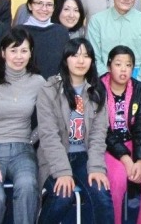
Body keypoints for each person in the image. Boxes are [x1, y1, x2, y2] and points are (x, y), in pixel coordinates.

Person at [36, 38, 114, 224]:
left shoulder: (97, 91)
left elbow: (98, 135)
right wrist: (63, 171)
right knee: (63, 196)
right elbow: (49, 135)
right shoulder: (49, 90)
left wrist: (95, 167)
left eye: (86, 56)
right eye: (75, 55)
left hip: (84, 156)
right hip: (55, 157)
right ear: (65, 59)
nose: (81, 61)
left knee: (102, 195)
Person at [0, 28, 44, 224]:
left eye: (24, 51)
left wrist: (30, 139)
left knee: (28, 186)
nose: (18, 56)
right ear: (3, 52)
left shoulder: (38, 82)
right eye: (13, 50)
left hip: (23, 150)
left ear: (31, 53)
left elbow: (48, 120)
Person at [101, 46, 141, 224]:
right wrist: (126, 159)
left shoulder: (139, 89)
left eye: (128, 65)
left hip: (135, 143)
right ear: (109, 66)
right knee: (117, 179)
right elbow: (102, 132)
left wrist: (140, 160)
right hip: (109, 147)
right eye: (118, 64)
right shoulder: (97, 89)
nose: (123, 69)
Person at [87, 0, 141, 85]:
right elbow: (94, 56)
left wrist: (137, 84)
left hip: (136, 79)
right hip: (104, 80)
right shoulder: (97, 21)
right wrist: (106, 81)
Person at [21, 0, 70, 79]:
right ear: (30, 5)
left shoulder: (61, 32)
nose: (44, 9)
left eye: (49, 4)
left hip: (55, 88)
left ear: (54, 7)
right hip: (25, 88)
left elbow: (66, 64)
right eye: (39, 3)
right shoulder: (19, 32)